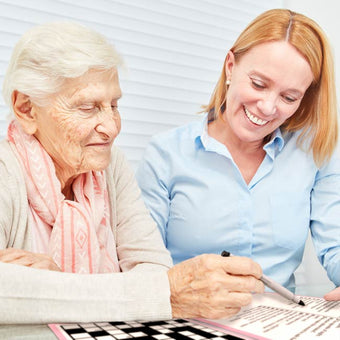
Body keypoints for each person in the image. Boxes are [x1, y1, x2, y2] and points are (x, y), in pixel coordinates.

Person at [0, 21, 264, 324]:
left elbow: (154, 269)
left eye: (113, 105)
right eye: (87, 107)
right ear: (26, 109)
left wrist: (56, 286)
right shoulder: (5, 170)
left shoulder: (111, 167)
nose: (111, 127)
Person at [136, 8, 340, 301]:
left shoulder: (314, 154)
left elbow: (335, 246)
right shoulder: (166, 154)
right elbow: (143, 267)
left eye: (289, 97)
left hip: (279, 325)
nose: (268, 108)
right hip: (188, 321)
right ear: (230, 67)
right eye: (258, 84)